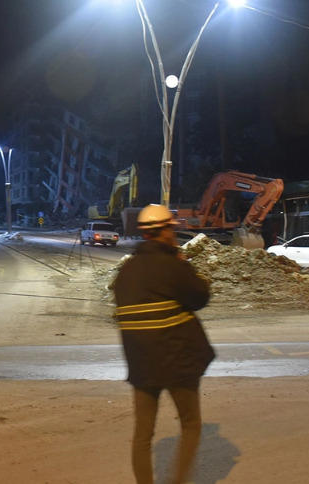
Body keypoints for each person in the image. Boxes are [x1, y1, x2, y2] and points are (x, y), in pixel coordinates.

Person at [112, 204, 215, 484]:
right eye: (172, 227)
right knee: (191, 425)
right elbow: (200, 298)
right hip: (177, 362)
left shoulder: (127, 272)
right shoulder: (173, 265)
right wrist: (184, 264)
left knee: (143, 435)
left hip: (142, 366)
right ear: (166, 230)